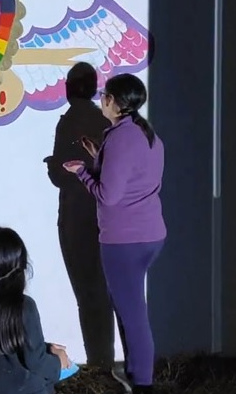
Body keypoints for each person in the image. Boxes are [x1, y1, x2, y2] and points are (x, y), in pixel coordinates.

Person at [63, 73, 166, 394]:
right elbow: (131, 177)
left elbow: (108, 195)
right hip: (148, 235)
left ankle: (144, 384)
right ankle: (136, 374)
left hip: (125, 240)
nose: (100, 100)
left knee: (132, 315)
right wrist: (99, 157)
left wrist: (81, 171)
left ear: (115, 102)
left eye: (104, 96)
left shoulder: (122, 138)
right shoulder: (142, 133)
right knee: (128, 307)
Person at [44, 62, 115, 370]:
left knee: (87, 293)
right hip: (105, 217)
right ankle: (106, 359)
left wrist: (53, 165)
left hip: (76, 217)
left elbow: (61, 176)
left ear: (70, 89)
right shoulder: (106, 122)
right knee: (103, 292)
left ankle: (99, 360)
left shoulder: (69, 122)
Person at [0, 227, 71, 394]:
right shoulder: (25, 307)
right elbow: (36, 361)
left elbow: (5, 347)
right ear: (20, 268)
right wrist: (59, 361)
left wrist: (46, 346)